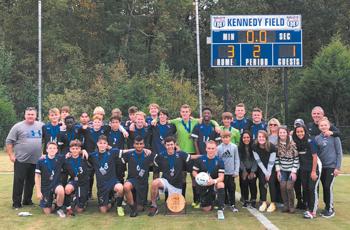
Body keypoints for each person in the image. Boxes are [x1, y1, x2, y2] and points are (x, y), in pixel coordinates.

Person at [148, 136, 200, 216]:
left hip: (176, 185)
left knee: (174, 211)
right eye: (168, 145)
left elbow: (192, 157)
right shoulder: (161, 155)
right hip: (165, 182)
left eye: (171, 144)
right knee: (155, 183)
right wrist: (145, 150)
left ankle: (172, 200)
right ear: (165, 145)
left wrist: (205, 156)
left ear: (175, 145)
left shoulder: (181, 154)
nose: (170, 146)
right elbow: (151, 159)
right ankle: (154, 206)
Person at [6, 107, 44, 209]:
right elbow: (9, 141)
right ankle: (16, 203)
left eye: (32, 114)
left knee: (31, 182)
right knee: (19, 181)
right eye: (28, 114)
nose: (30, 116)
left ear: (36, 115)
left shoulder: (41, 126)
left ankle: (27, 200)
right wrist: (11, 155)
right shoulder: (18, 126)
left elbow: (49, 137)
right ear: (25, 115)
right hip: (21, 160)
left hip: (36, 160)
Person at [88, 135, 129, 214]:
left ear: (107, 145)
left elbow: (125, 151)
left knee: (120, 188)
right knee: (103, 210)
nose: (102, 145)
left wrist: (142, 149)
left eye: (104, 143)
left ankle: (119, 206)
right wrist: (82, 151)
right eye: (100, 143)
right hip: (101, 185)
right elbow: (80, 154)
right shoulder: (93, 156)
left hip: (112, 181)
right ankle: (112, 200)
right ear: (97, 144)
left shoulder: (112, 152)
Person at [314, 117, 343, 218]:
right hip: (322, 167)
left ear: (329, 126)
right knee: (324, 187)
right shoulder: (317, 138)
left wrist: (337, 167)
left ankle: (330, 209)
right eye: (321, 125)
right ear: (319, 127)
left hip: (332, 166)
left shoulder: (335, 137)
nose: (323, 127)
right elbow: (315, 154)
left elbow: (339, 153)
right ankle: (327, 207)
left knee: (327, 186)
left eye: (325, 125)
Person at [292, 123, 320, 219]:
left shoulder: (310, 141)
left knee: (312, 189)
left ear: (305, 131)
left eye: (301, 131)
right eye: (298, 132)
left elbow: (315, 157)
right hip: (303, 169)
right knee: (306, 189)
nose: (300, 133)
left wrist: (313, 171)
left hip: (313, 168)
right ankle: (308, 208)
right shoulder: (296, 142)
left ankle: (313, 212)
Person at [122, 136, 155, 217]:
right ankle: (133, 209)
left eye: (141, 144)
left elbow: (158, 160)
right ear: (134, 145)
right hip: (132, 180)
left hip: (142, 183)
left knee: (140, 208)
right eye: (137, 144)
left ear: (144, 145)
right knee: (126, 187)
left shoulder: (149, 154)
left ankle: (138, 204)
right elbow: (117, 155)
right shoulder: (129, 154)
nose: (139, 145)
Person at [193, 141, 226, 220]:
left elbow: (221, 177)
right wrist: (198, 177)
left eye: (213, 148)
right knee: (206, 209)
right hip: (203, 185)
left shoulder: (220, 161)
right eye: (209, 148)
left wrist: (213, 181)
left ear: (216, 150)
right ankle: (214, 199)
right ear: (206, 149)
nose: (211, 150)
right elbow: (194, 172)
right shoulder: (200, 159)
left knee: (221, 184)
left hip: (213, 183)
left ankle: (220, 209)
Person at [35, 142, 66, 217]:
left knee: (61, 190)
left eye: (54, 148)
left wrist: (83, 151)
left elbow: (73, 153)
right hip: (45, 187)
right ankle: (52, 203)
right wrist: (38, 191)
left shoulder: (60, 158)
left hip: (56, 184)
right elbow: (37, 177)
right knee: (48, 212)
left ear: (57, 150)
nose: (52, 150)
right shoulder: (40, 161)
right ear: (46, 150)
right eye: (50, 148)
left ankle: (59, 208)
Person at [275, 126, 299, 213]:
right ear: (278, 134)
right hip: (282, 170)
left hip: (291, 170)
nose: (282, 134)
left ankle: (291, 206)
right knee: (282, 186)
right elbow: (276, 159)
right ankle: (286, 205)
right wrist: (278, 171)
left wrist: (294, 172)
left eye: (283, 132)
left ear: (287, 133)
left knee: (289, 187)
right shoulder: (277, 144)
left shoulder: (293, 143)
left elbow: (296, 158)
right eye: (280, 132)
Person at [63, 140, 90, 216]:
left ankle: (82, 199)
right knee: (67, 189)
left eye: (77, 148)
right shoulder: (67, 159)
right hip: (74, 180)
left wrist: (84, 151)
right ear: (70, 149)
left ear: (80, 149)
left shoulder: (84, 157)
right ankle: (70, 203)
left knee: (79, 210)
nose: (75, 150)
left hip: (83, 182)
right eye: (73, 148)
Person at [253, 130, 277, 212]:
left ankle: (273, 203)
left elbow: (272, 161)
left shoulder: (272, 147)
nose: (261, 138)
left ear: (266, 138)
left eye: (263, 137)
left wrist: (269, 172)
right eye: (259, 137)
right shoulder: (254, 146)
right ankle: (264, 202)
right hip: (262, 168)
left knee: (271, 183)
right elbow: (258, 161)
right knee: (262, 183)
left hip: (271, 168)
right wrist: (265, 172)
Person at [148, 108, 176, 179]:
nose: (162, 116)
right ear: (158, 116)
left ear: (167, 116)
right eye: (160, 115)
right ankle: (155, 189)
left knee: (168, 173)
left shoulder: (171, 126)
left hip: (167, 153)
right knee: (156, 173)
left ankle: (167, 189)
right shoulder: (153, 125)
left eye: (164, 115)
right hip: (156, 152)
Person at [217, 130, 240, 212]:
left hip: (231, 173)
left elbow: (237, 159)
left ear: (230, 137)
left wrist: (236, 171)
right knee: (223, 189)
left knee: (231, 189)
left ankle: (233, 204)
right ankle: (223, 204)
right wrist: (218, 173)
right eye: (224, 137)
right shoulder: (219, 148)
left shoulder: (234, 147)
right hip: (222, 173)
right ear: (221, 138)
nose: (225, 139)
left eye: (227, 137)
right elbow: (217, 161)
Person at [238, 130, 258, 208]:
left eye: (248, 137)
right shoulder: (239, 147)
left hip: (253, 168)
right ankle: (245, 199)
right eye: (244, 137)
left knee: (252, 183)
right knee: (244, 183)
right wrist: (244, 170)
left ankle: (253, 199)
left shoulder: (254, 147)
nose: (246, 139)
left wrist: (253, 171)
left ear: (250, 138)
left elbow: (256, 160)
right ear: (242, 138)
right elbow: (239, 160)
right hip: (243, 169)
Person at [107, 115, 126, 184]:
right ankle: (111, 194)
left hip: (120, 158)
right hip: (109, 157)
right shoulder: (107, 131)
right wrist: (108, 147)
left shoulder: (123, 132)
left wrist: (124, 130)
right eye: (113, 122)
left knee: (120, 177)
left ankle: (120, 194)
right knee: (110, 176)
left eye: (116, 122)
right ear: (110, 123)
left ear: (119, 123)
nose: (115, 124)